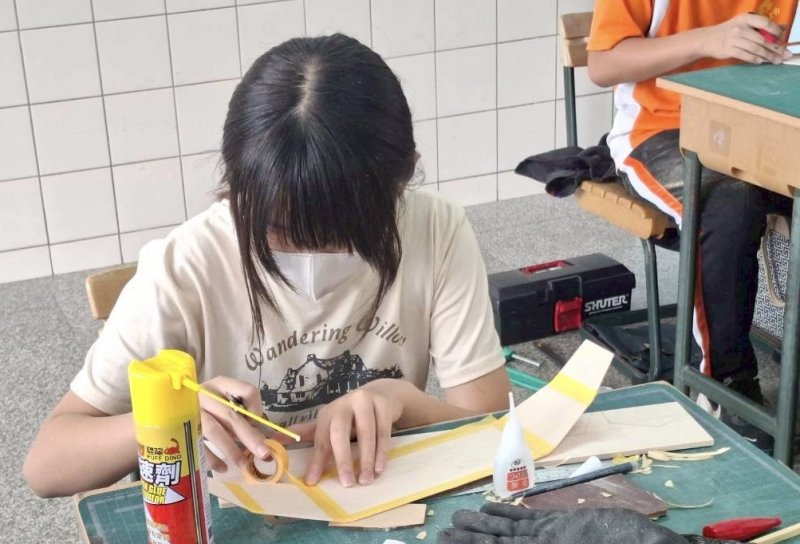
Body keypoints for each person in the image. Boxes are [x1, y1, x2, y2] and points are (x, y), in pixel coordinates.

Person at [23, 34, 511, 498]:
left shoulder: (435, 229)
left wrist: (401, 401)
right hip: (236, 521)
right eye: (279, 231)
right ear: (238, 185)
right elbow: (47, 464)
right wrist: (171, 415)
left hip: (378, 501)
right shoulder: (186, 267)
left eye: (343, 234)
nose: (312, 258)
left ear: (401, 182)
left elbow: (491, 426)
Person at [587, 0, 796, 448]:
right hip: (663, 129)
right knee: (729, 204)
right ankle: (726, 385)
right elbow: (603, 64)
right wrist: (708, 40)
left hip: (770, 122)